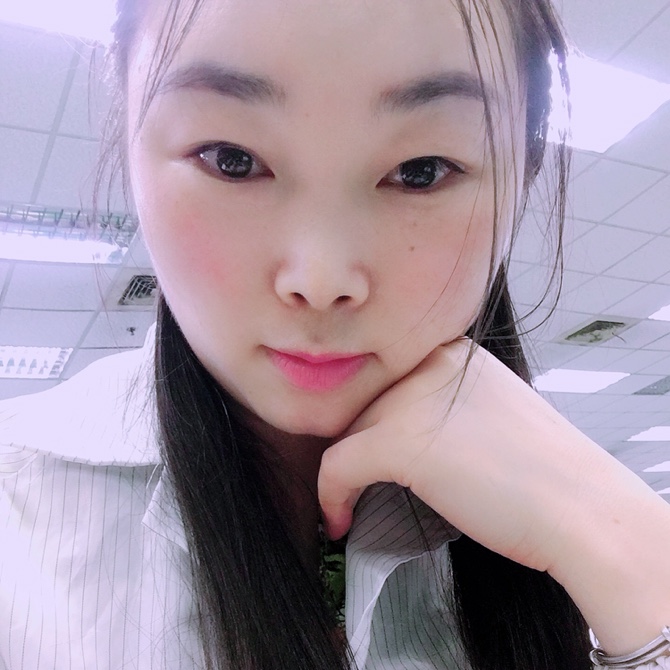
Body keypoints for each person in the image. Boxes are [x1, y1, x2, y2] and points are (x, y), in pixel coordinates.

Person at [1, 0, 669, 668]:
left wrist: (630, 553)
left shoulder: (565, 512)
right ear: (130, 142)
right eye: (231, 159)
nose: (320, 281)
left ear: (522, 177)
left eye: (421, 170)